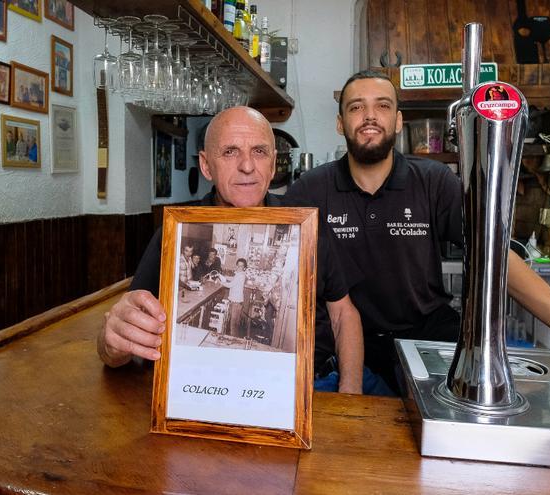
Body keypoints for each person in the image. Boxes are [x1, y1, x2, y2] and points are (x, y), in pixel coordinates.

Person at [286, 70, 550, 393]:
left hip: (426, 337)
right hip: (344, 346)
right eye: (356, 107)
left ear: (398, 121)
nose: (369, 116)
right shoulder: (310, 190)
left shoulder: (432, 182)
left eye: (382, 106)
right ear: (340, 123)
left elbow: (493, 256)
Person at [98, 106, 387, 395]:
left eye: (259, 152)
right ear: (207, 165)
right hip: (208, 389)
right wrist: (112, 343)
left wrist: (349, 393)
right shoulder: (174, 232)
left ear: (273, 165)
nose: (247, 166)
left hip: (314, 385)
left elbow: (343, 315)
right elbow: (119, 344)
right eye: (230, 152)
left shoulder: (306, 226)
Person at [217, 258, 248, 337]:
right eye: (238, 265)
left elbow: (230, 285)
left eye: (241, 266)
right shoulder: (239, 274)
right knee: (234, 324)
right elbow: (233, 279)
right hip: (236, 302)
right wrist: (224, 276)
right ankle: (233, 338)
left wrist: (221, 282)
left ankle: (233, 340)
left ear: (244, 268)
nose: (239, 267)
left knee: (233, 325)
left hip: (236, 303)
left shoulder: (240, 275)